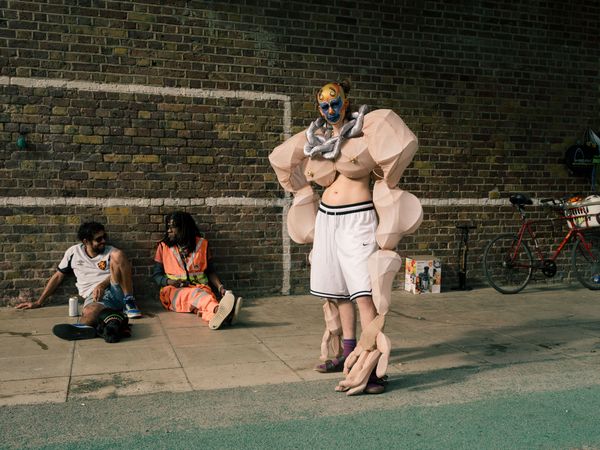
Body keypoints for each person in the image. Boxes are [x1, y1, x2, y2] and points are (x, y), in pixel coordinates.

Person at [269, 80, 422, 394]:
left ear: (346, 101)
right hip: (327, 218)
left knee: (364, 293)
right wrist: (301, 192)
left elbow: (403, 143)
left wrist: (388, 183)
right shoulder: (317, 138)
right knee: (338, 293)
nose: (330, 109)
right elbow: (280, 158)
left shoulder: (365, 130)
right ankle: (346, 353)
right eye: (324, 105)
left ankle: (372, 367)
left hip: (357, 218)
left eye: (335, 103)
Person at [15, 221, 142, 325]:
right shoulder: (73, 252)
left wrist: (102, 285)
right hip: (95, 297)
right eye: (99, 239)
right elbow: (58, 276)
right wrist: (39, 301)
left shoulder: (110, 251)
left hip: (117, 291)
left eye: (104, 237)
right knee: (90, 313)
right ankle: (83, 329)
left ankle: (129, 302)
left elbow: (119, 272)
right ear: (86, 241)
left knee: (119, 255)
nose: (103, 241)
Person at [151, 211, 242, 330]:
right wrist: (168, 281)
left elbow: (210, 271)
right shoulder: (163, 246)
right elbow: (156, 275)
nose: (169, 230)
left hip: (201, 288)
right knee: (200, 298)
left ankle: (222, 317)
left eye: (172, 227)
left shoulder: (202, 244)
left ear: (183, 228)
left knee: (201, 305)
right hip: (173, 291)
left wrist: (220, 287)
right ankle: (219, 310)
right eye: (168, 227)